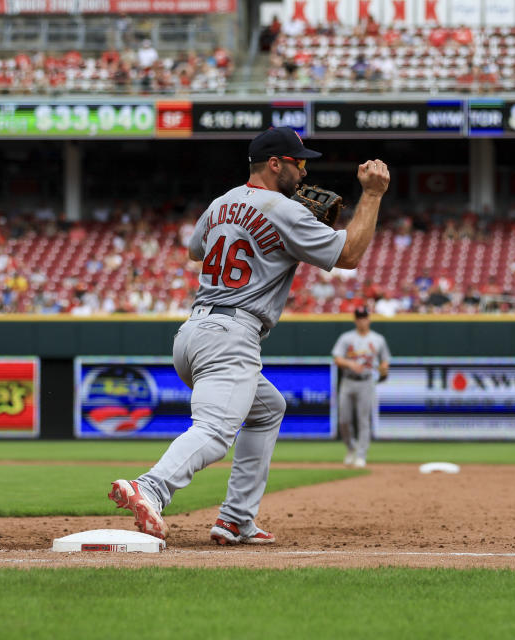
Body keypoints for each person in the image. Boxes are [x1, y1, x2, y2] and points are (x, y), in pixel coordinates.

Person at [108, 127, 390, 545]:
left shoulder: (223, 201)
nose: (305, 170)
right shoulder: (284, 210)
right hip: (230, 334)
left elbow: (195, 249)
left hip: (192, 335)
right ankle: (151, 487)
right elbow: (348, 255)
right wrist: (372, 195)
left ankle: (236, 519)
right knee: (215, 431)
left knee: (266, 408)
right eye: (299, 162)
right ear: (275, 164)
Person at [331, 307, 391, 468]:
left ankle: (361, 455)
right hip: (348, 380)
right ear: (355, 320)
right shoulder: (347, 338)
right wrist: (351, 363)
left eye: (364, 317)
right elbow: (337, 358)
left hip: (366, 381)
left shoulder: (378, 339)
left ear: (369, 319)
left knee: (363, 420)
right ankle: (351, 448)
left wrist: (384, 368)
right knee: (343, 420)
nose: (362, 320)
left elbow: (385, 360)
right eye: (359, 317)